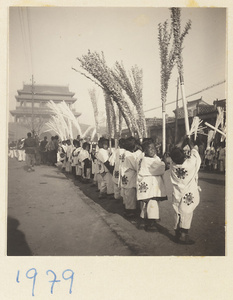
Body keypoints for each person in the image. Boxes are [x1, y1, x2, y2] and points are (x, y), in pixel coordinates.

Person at [170, 137, 201, 244]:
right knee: (186, 213)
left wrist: (183, 139)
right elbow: (195, 153)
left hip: (177, 192)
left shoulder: (173, 165)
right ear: (184, 156)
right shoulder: (190, 164)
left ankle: (177, 233)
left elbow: (175, 149)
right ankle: (183, 236)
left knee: (177, 212)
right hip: (188, 193)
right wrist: (190, 141)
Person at [137, 139, 167, 231]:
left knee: (147, 203)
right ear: (145, 150)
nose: (153, 150)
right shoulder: (146, 160)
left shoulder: (145, 158)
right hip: (149, 184)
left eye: (154, 148)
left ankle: (143, 220)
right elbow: (161, 167)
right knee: (152, 201)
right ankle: (151, 223)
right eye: (150, 149)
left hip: (149, 182)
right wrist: (163, 162)